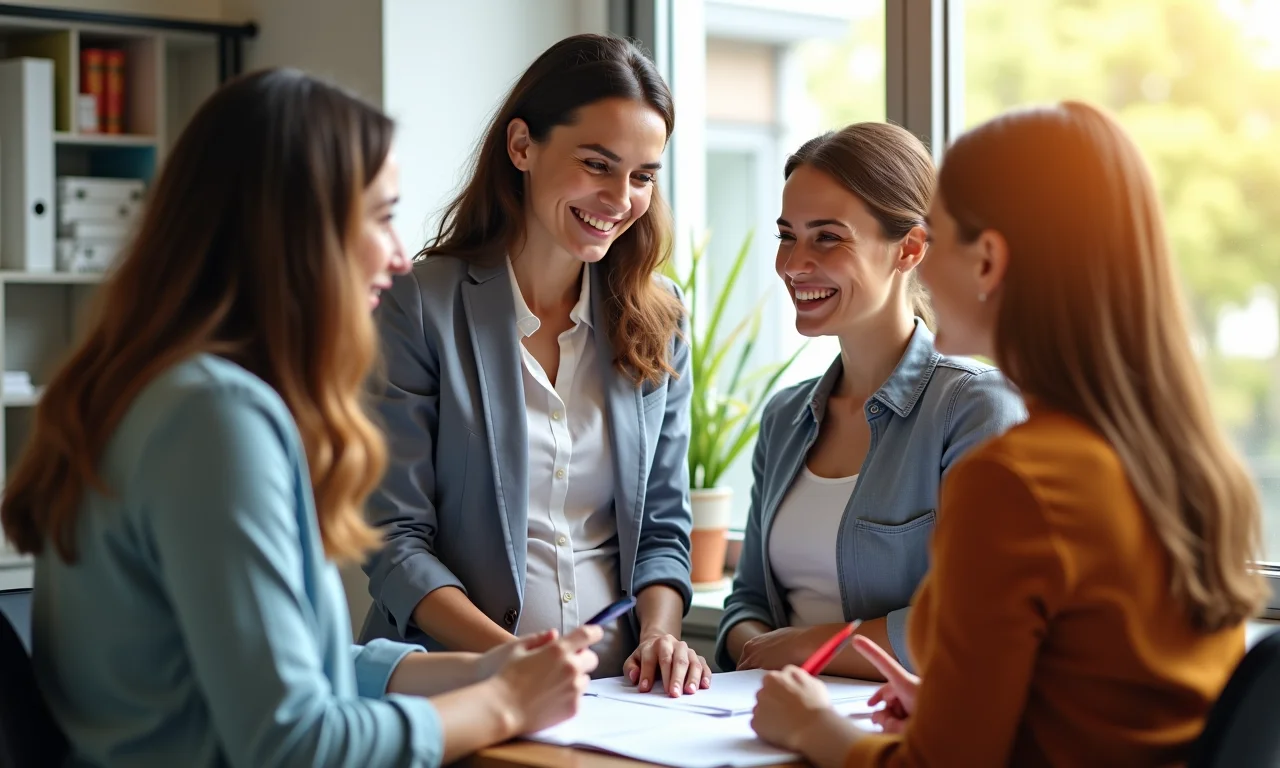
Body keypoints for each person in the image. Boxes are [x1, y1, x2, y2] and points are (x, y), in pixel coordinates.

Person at [0, 68, 603, 768]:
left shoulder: (158, 395)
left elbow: (281, 666)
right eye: (381, 217)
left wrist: (480, 671)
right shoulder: (214, 419)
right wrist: (503, 706)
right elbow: (294, 741)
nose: (401, 256)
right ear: (297, 235)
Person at [750, 101, 1269, 766]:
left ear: (987, 261)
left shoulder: (1015, 479)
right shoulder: (1181, 460)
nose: (922, 264)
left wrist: (813, 728)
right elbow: (1106, 707)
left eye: (933, 236)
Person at [358, 33, 709, 696]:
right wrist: (513, 662)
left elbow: (662, 524)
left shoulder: (660, 315)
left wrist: (662, 635)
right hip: (459, 685)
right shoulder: (420, 304)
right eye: (597, 164)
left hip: (616, 698)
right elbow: (395, 541)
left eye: (642, 176)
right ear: (522, 147)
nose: (620, 197)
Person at [715, 122, 1025, 679]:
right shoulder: (786, 417)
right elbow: (748, 602)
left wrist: (808, 650)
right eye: (787, 235)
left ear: (909, 248)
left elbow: (970, 621)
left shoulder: (975, 408)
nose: (793, 263)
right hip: (765, 714)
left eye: (827, 237)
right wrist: (762, 652)